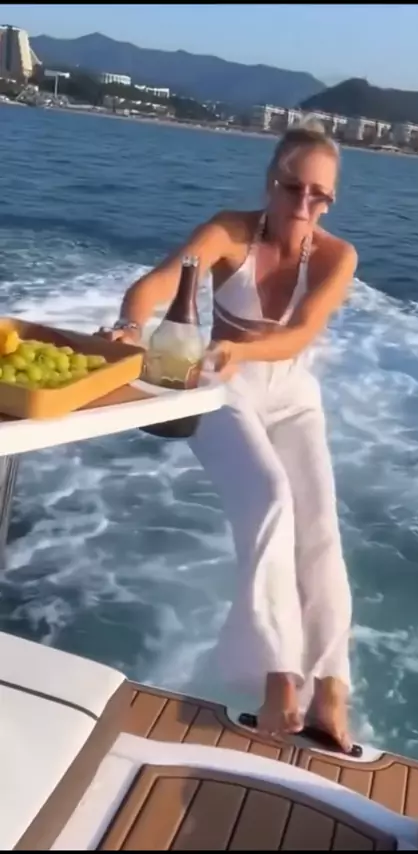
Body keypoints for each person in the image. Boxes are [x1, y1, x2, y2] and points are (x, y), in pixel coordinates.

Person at [100, 117, 358, 750]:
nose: (305, 203)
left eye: (319, 194)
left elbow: (300, 334)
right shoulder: (228, 233)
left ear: (331, 200)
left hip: (292, 394)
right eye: (293, 187)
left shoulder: (336, 256)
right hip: (221, 388)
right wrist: (130, 325)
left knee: (319, 528)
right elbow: (160, 282)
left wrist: (248, 349)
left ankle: (331, 687)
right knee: (271, 499)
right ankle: (279, 678)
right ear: (271, 182)